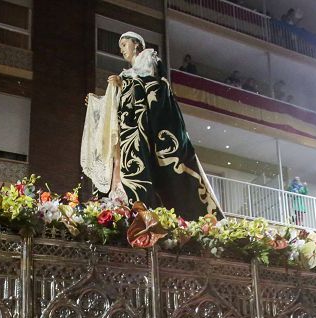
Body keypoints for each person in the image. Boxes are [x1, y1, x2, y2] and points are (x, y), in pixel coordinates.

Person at [82, 31, 221, 219]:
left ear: (136, 44)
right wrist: (99, 104)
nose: (121, 49)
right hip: (128, 131)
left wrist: (123, 85)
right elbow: (119, 104)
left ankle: (141, 210)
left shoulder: (148, 58)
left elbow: (155, 87)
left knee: (139, 170)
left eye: (124, 44)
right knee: (118, 164)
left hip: (141, 131)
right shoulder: (126, 74)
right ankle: (121, 205)